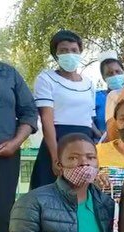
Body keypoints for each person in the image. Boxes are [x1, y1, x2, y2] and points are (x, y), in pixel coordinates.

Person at [31, 30, 98, 190]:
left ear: (80, 52)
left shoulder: (89, 84)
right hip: (57, 140)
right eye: (63, 50)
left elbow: (89, 118)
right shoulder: (46, 79)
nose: (69, 54)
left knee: (82, 191)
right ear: (56, 55)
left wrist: (99, 137)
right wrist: (55, 157)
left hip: (85, 142)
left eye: (74, 50)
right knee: (50, 191)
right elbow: (47, 120)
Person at [0, 62, 37, 232]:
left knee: (3, 215)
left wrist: (15, 143)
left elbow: (29, 112)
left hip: (5, 154)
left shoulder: (8, 73)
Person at [94, 57, 124, 135]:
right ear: (103, 78)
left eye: (118, 71)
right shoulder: (96, 98)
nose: (115, 75)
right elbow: (88, 119)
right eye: (109, 73)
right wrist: (99, 134)